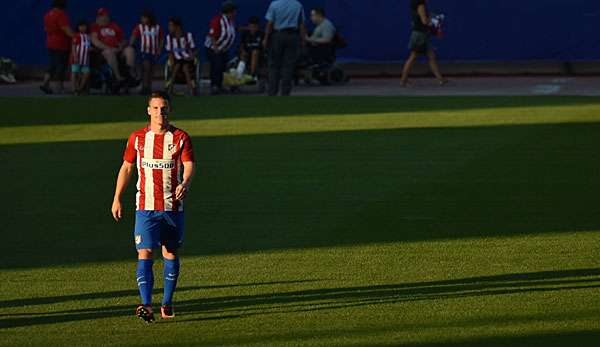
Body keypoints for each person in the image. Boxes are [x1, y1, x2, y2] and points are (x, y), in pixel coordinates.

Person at [111, 91, 196, 323]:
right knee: (145, 252)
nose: (160, 112)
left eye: (164, 108)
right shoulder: (137, 138)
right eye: (156, 108)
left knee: (170, 252)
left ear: (169, 110)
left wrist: (185, 183)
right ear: (149, 110)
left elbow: (189, 165)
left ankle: (166, 302)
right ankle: (146, 304)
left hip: (172, 206)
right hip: (145, 207)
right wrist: (117, 197)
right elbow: (127, 168)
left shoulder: (180, 137)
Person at [263, 0, 306, 96]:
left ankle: (272, 92)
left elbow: (270, 23)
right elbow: (301, 24)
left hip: (277, 36)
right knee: (288, 66)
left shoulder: (274, 4)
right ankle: (285, 92)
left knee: (274, 65)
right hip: (292, 36)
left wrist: (266, 38)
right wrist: (303, 40)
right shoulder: (297, 4)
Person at [400, 0, 447, 86]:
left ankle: (441, 80)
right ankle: (403, 81)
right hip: (419, 35)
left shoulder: (417, 3)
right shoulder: (420, 4)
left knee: (431, 56)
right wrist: (435, 20)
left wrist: (433, 19)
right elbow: (424, 21)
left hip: (423, 34)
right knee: (413, 57)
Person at [90, 8, 136, 85]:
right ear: (97, 18)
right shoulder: (94, 27)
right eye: (101, 16)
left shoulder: (114, 26)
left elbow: (123, 40)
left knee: (130, 50)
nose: (104, 18)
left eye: (105, 16)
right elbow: (95, 41)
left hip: (118, 49)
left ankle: (130, 74)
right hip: (103, 51)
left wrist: (121, 45)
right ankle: (117, 76)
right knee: (109, 52)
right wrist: (110, 48)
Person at [40, 0, 73, 94]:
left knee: (52, 64)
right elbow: (65, 29)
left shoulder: (47, 14)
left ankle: (45, 83)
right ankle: (59, 87)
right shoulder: (61, 14)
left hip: (50, 42)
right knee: (61, 65)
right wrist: (77, 36)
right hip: (61, 43)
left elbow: (45, 28)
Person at [204, 1, 237, 95]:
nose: (235, 13)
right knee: (216, 66)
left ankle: (219, 85)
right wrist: (215, 48)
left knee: (222, 66)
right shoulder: (218, 20)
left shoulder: (231, 21)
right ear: (229, 11)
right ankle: (214, 86)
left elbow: (234, 30)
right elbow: (212, 34)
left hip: (223, 49)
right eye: (234, 11)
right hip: (213, 48)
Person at [130, 10, 164, 95]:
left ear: (149, 18)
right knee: (146, 68)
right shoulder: (140, 27)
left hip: (154, 52)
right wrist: (131, 44)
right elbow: (134, 36)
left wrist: (159, 49)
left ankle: (148, 87)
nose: (142, 19)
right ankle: (144, 87)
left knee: (151, 70)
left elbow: (161, 39)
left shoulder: (157, 28)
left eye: (144, 18)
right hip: (144, 52)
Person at [165, 17, 197, 96]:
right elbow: (169, 52)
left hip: (187, 59)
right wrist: (171, 60)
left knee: (184, 66)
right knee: (178, 65)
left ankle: (190, 90)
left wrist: (191, 56)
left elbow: (194, 50)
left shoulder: (188, 36)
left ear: (177, 27)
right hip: (176, 60)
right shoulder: (169, 38)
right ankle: (171, 89)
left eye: (171, 26)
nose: (169, 28)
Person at [71, 20, 91, 95]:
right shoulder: (76, 36)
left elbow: (87, 47)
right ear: (78, 27)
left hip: (85, 59)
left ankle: (80, 88)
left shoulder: (88, 36)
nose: (82, 28)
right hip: (77, 58)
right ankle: (74, 89)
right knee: (75, 73)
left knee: (86, 73)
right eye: (81, 26)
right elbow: (73, 46)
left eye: (84, 26)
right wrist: (75, 56)